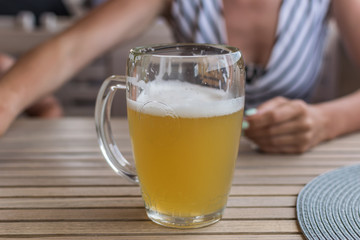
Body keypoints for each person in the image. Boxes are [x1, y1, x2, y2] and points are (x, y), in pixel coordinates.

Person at [0, 0, 359, 154]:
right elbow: (71, 48)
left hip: (289, 165)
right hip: (189, 159)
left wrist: (323, 122)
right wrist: (7, 99)